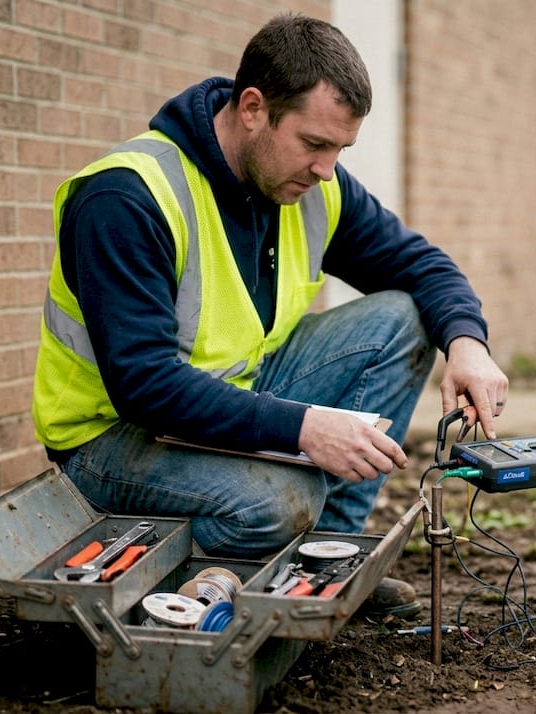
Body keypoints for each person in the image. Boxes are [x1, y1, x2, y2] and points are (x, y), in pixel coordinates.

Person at [31, 13, 508, 617]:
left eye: (340, 148)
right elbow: (144, 386)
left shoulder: (310, 185)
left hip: (231, 399)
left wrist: (467, 344)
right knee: (281, 499)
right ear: (253, 108)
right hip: (109, 441)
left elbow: (421, 266)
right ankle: (201, 579)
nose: (328, 168)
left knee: (403, 317)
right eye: (314, 143)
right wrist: (305, 428)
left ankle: (327, 562)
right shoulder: (128, 198)